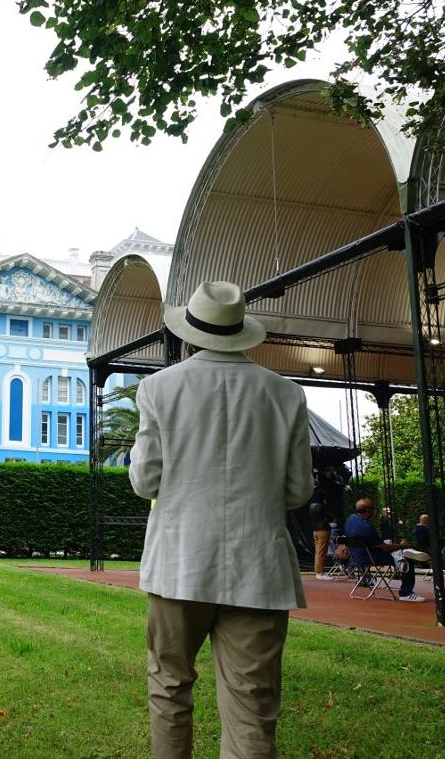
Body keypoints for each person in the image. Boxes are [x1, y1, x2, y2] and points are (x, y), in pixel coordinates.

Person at [130, 280, 313, 758]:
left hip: (179, 564)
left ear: (189, 334)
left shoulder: (157, 389)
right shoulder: (286, 394)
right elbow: (298, 492)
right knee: (252, 705)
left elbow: (144, 482)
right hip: (260, 569)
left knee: (169, 686)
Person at [344, 498, 425, 601]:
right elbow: (385, 548)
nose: (375, 511)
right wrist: (401, 546)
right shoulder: (366, 527)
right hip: (369, 557)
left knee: (394, 549)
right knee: (406, 558)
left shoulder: (350, 519)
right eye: (373, 508)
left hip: (356, 557)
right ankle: (406, 593)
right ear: (368, 510)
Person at [310, 501, 334, 580]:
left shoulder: (311, 506)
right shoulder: (322, 506)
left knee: (318, 552)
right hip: (323, 530)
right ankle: (320, 573)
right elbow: (329, 517)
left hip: (315, 530)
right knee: (321, 553)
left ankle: (317, 571)